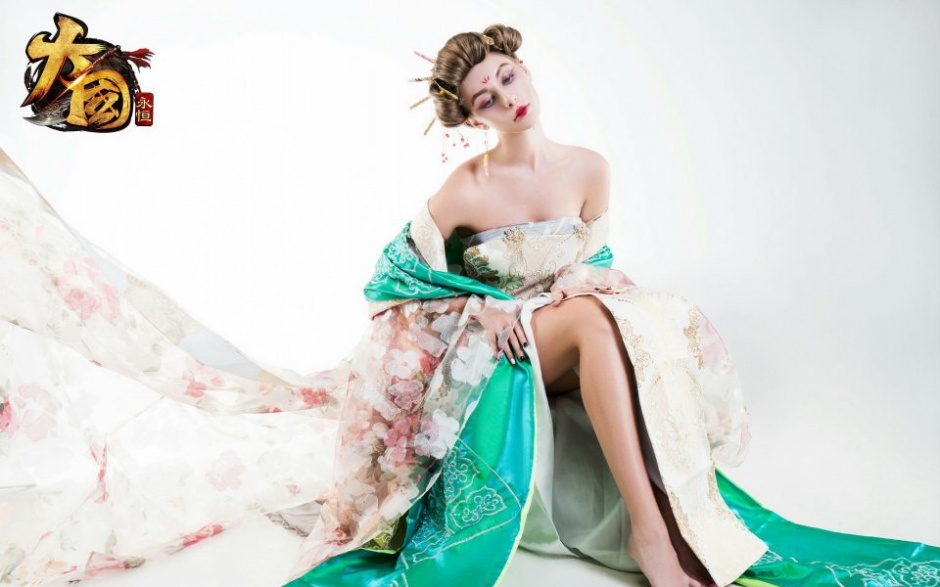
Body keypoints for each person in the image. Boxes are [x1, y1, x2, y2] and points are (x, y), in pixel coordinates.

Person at [0, 22, 937, 587]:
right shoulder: (466, 190)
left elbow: (598, 261)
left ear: (526, 70)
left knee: (612, 313)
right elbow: (391, 287)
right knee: (590, 320)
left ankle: (663, 517)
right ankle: (655, 540)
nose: (505, 98)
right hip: (498, 358)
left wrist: (569, 288)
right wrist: (481, 307)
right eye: (484, 97)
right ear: (470, 116)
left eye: (508, 78)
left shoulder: (590, 168)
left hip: (565, 334)